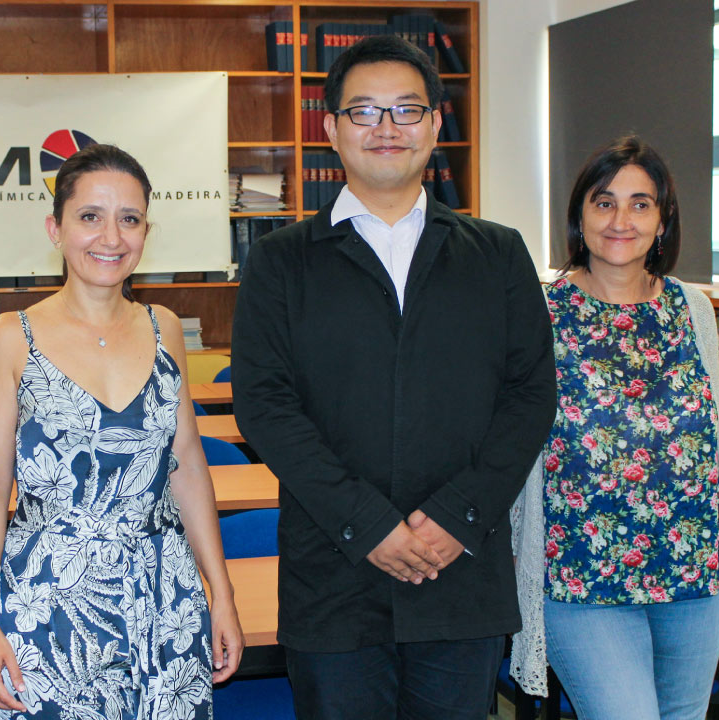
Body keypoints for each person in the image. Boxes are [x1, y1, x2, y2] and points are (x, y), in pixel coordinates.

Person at [231, 34, 556, 720]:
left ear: (437, 123)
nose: (386, 129)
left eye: (407, 111)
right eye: (365, 112)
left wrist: (454, 517)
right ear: (331, 129)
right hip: (335, 576)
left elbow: (531, 396)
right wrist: (369, 526)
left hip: (459, 571)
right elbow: (264, 406)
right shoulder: (281, 262)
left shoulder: (496, 254)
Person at [0, 143, 243, 719]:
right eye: (90, 217)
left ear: (147, 230)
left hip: (164, 592)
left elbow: (187, 465)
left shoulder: (164, 327)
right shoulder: (10, 337)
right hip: (49, 599)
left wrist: (222, 596)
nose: (111, 238)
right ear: (56, 227)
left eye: (130, 219)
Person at [509, 136, 719, 719]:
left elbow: (712, 447)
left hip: (696, 565)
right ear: (579, 217)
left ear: (663, 222)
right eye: (604, 202)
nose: (621, 219)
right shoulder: (535, 315)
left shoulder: (691, 309)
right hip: (581, 571)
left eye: (641, 204)